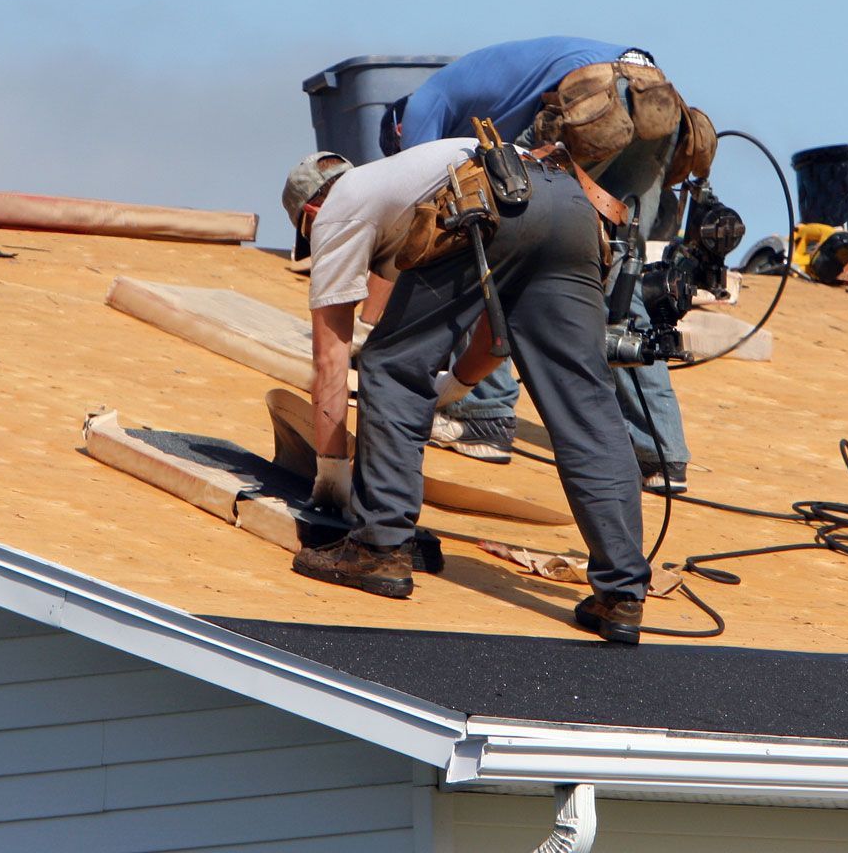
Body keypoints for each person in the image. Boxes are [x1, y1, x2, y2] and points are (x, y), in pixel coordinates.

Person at [279, 140, 653, 643]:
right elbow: (496, 332)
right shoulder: (401, 185)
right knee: (585, 405)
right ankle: (621, 595)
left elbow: (330, 360)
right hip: (567, 203)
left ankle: (379, 547)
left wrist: (331, 476)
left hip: (482, 197)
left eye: (308, 233)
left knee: (391, 366)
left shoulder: (340, 209)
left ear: (310, 211)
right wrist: (455, 387)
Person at [392, 36, 695, 493]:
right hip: (656, 99)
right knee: (617, 278)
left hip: (596, 99)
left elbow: (417, 190)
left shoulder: (419, 106)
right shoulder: (489, 99)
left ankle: (483, 416)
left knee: (486, 243)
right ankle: (659, 454)